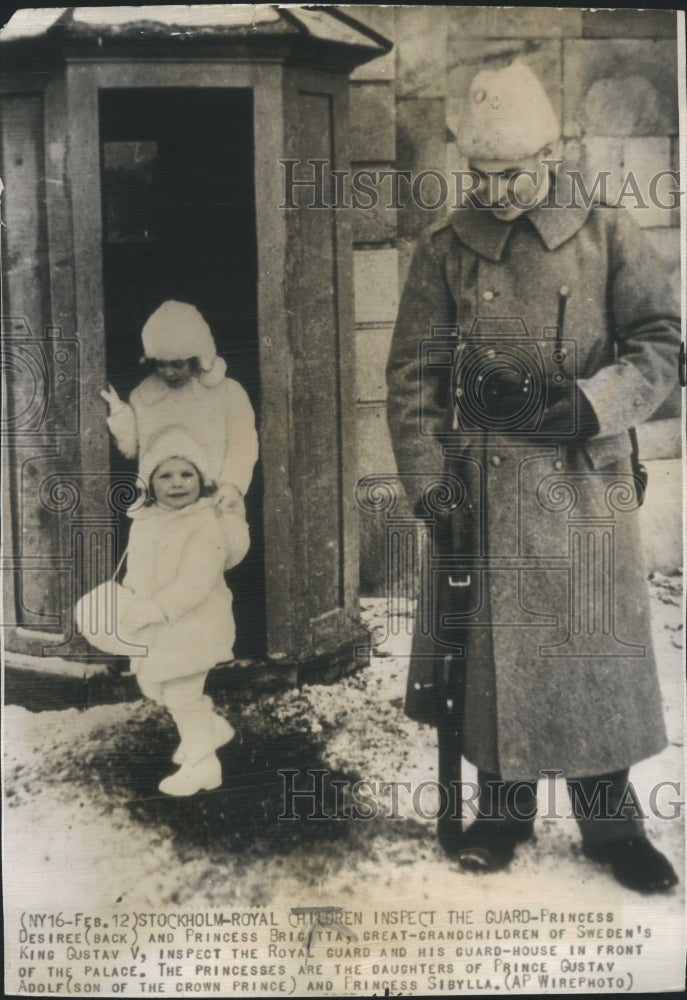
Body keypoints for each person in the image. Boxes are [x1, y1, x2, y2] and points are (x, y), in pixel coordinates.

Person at [386, 61, 680, 893]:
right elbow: (412, 377)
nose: (500, 189)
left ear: (552, 153)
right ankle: (500, 816)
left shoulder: (605, 231)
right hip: (482, 489)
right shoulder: (445, 249)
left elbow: (659, 345)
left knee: (590, 652)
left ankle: (612, 827)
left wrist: (588, 406)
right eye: (482, 173)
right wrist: (428, 483)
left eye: (514, 171)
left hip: (585, 478)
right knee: (491, 659)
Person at [118, 426, 237, 796]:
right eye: (165, 475)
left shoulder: (204, 524)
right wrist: (127, 600)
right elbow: (136, 570)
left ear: (201, 479)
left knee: (181, 695)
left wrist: (153, 608)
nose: (177, 483)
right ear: (149, 484)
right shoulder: (146, 522)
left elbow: (195, 583)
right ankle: (212, 730)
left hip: (195, 626)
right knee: (157, 687)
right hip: (159, 627)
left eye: (187, 474)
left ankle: (203, 765)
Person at [100, 299, 258, 569]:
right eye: (161, 364)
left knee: (203, 573)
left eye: (177, 364)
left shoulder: (227, 392)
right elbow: (133, 449)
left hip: (213, 505)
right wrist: (120, 415)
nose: (169, 372)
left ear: (197, 357)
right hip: (161, 509)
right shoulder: (144, 396)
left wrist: (232, 485)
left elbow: (244, 443)